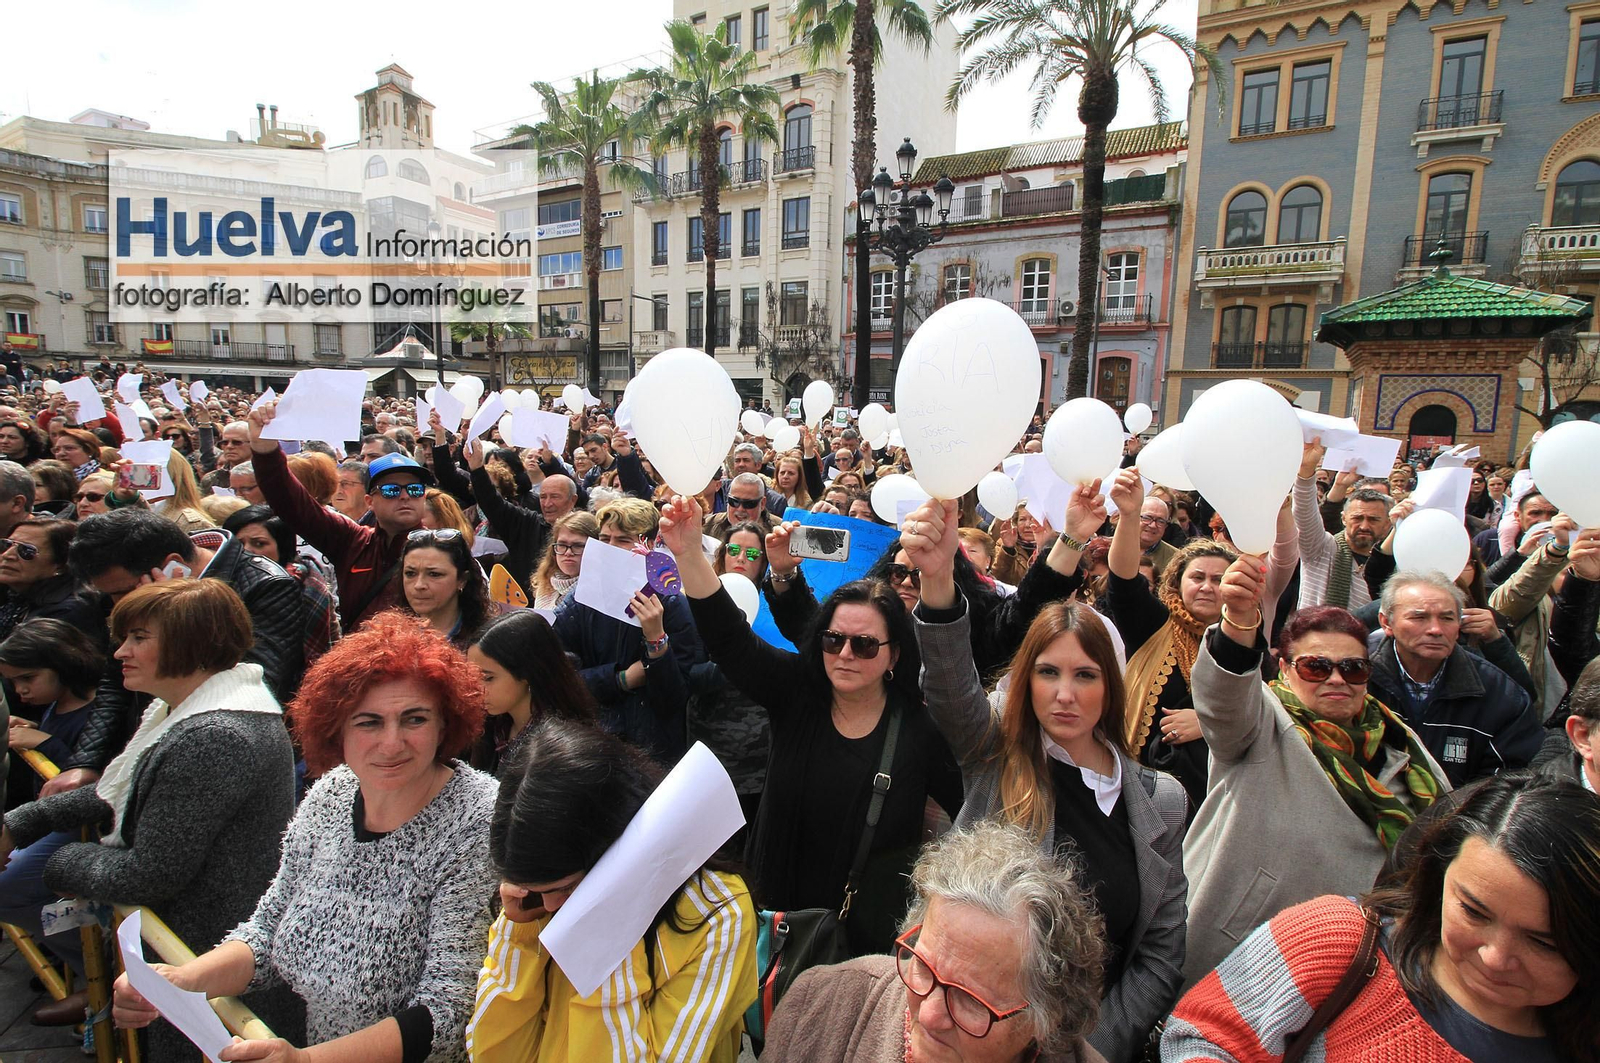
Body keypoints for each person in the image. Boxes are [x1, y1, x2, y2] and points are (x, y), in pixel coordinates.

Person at [113, 612, 499, 1063]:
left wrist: (304, 1060)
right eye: (368, 722)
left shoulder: (478, 820)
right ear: (335, 729)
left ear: (445, 724)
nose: (392, 743)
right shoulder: (334, 792)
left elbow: (451, 1013)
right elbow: (268, 930)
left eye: (414, 719)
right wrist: (181, 981)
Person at [905, 497, 1188, 1062]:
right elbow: (950, 687)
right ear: (1025, 680)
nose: (1065, 694)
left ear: (1111, 685)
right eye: (1048, 672)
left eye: (1085, 675)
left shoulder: (1161, 799)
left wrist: (1083, 1045)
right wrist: (937, 580)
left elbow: (1160, 951)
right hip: (965, 1033)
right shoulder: (994, 755)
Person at [659, 494, 963, 955]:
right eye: (832, 639)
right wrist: (687, 556)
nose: (844, 654)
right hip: (770, 928)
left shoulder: (918, 730)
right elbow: (729, 640)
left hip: (861, 944)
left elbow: (973, 802)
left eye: (864, 645)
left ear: (893, 655)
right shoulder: (796, 692)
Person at [4, 581, 298, 1056]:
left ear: (195, 642)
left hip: (203, 953)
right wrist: (20, 823)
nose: (121, 651)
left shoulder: (215, 736)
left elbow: (149, 874)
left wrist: (61, 863)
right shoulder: (189, 709)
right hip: (199, 945)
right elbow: (121, 794)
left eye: (139, 637)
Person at [1164, 772, 1600, 1063]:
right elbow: (1202, 1037)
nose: (1495, 957)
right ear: (1438, 877)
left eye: (1542, 942)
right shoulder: (1337, 941)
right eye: (1473, 911)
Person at [1179, 554, 1449, 987]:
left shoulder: (1402, 743)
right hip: (1242, 957)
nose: (1337, 680)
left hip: (1356, 970)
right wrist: (1239, 621)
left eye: (1354, 668)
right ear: (1284, 669)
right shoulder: (1261, 721)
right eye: (1316, 666)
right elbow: (1224, 695)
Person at [466, 717, 758, 1061]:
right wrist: (519, 937)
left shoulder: (718, 912)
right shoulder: (537, 904)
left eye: (562, 888)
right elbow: (492, 1054)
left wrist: (607, 937)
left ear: (609, 843)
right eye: (532, 889)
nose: (549, 904)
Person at [763, 821, 1110, 1063]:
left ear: (1043, 1021)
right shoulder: (816, 1008)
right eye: (924, 968)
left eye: (969, 1000)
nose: (929, 1016)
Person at [70, 509, 305, 702]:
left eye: (123, 592)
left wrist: (174, 615)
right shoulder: (126, 587)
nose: (118, 605)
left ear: (173, 566)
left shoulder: (267, 585)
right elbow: (115, 685)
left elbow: (257, 683)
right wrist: (86, 760)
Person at [0, 619, 104, 1012]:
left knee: (8, 887)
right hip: (54, 827)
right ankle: (88, 972)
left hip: (80, 830)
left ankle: (101, 973)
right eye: (13, 681)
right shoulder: (54, 707)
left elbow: (93, 779)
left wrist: (46, 743)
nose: (20, 689)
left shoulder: (96, 711)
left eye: (28, 677)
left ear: (64, 665)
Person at [248, 402, 428, 630]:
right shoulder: (352, 541)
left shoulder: (444, 549)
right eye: (391, 490)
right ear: (369, 502)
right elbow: (294, 505)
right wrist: (265, 451)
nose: (404, 497)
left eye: (414, 490)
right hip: (358, 660)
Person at [552, 497, 700, 763]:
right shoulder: (581, 597)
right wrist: (620, 679)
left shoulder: (672, 602)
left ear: (650, 545)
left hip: (650, 751)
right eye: (605, 539)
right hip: (592, 742)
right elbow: (557, 673)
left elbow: (677, 699)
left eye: (623, 540)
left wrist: (657, 642)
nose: (610, 548)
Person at [1369, 571, 1542, 786]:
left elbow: (1508, 780)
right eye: (1419, 617)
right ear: (1386, 623)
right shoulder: (1356, 678)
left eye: (1447, 618)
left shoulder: (1500, 694)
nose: (1435, 629)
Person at [466, 610, 597, 777]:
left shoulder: (562, 748)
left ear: (527, 673)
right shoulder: (491, 727)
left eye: (488, 678)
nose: (476, 688)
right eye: (472, 676)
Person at [1295, 442, 1394, 610]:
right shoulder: (1322, 549)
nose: (1364, 525)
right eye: (1357, 518)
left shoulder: (1392, 564)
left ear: (1387, 524)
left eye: (1373, 519)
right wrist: (1306, 470)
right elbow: (1304, 514)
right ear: (1344, 519)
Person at [0, 518, 104, 644]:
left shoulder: (66, 612)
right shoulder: (13, 597)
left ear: (60, 565)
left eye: (26, 550)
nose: (7, 555)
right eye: (7, 545)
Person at [401, 527, 492, 647]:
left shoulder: (488, 641)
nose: (419, 585)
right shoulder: (387, 638)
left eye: (434, 574)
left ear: (462, 580)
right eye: (410, 573)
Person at [531, 511, 598, 611]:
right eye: (562, 545)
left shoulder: (599, 593)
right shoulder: (546, 583)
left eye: (578, 546)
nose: (568, 552)